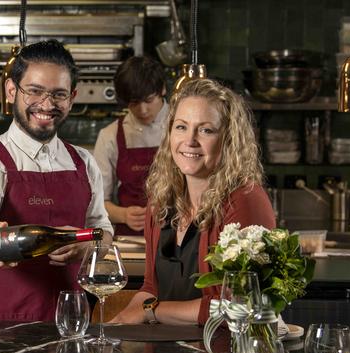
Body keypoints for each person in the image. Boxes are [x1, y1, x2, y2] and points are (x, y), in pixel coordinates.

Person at [0, 40, 114, 321]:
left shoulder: (84, 163)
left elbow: (102, 231)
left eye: (58, 95)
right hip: (1, 326)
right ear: (12, 90)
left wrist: (87, 247)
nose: (47, 104)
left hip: (72, 323)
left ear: (72, 98)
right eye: (35, 91)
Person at [111, 78, 275, 326]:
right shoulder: (160, 199)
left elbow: (237, 306)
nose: (190, 140)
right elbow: (150, 288)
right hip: (165, 351)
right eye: (181, 127)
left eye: (206, 130)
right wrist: (119, 323)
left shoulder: (245, 200)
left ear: (229, 139)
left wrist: (151, 311)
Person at [94, 56, 169, 236]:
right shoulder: (110, 135)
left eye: (149, 100)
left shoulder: (183, 127)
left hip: (176, 236)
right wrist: (123, 214)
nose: (142, 110)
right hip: (131, 238)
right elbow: (96, 202)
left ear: (163, 89)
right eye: (134, 103)